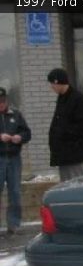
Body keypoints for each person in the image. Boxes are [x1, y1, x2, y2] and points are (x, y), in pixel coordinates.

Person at [47, 68, 83, 181]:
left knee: (79, 184)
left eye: (52, 83)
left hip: (75, 155)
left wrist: (65, 134)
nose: (51, 87)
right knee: (66, 186)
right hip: (64, 155)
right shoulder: (62, 99)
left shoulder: (77, 99)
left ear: (58, 82)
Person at [0, 87, 31, 235]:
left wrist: (20, 137)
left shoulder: (16, 115)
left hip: (14, 158)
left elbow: (27, 132)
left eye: (3, 101)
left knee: (15, 192)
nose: (1, 104)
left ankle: (14, 224)